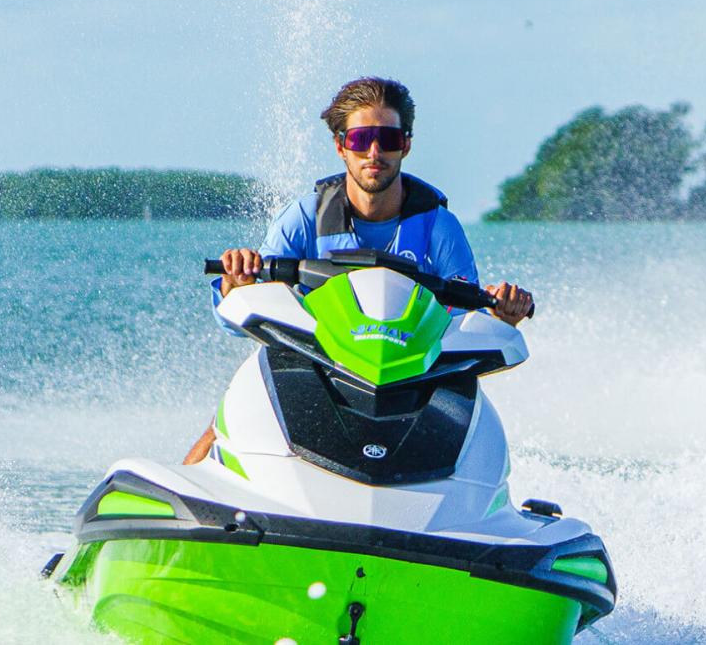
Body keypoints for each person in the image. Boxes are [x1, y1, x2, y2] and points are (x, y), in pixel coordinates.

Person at [185, 76, 533, 464]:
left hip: (412, 379)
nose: (373, 152)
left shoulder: (438, 225)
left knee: (475, 426)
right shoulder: (304, 217)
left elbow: (464, 320)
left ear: (406, 145)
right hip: (313, 366)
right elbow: (241, 314)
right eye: (360, 138)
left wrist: (501, 315)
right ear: (340, 146)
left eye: (387, 139)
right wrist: (238, 282)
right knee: (232, 412)